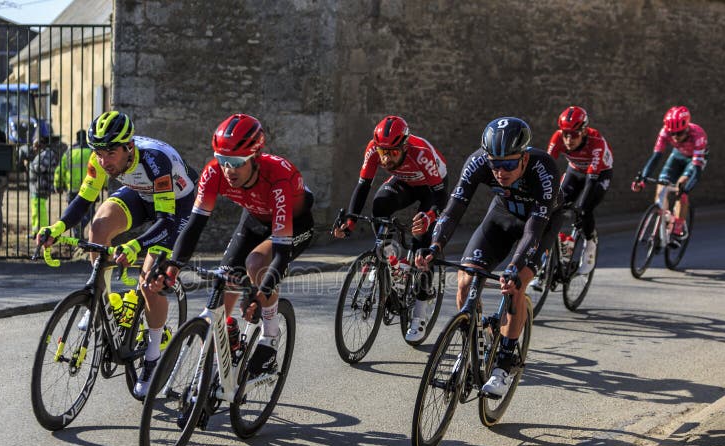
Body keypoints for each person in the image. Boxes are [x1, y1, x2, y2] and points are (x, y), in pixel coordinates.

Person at [35, 110, 198, 398]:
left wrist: (134, 245)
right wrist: (57, 228)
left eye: (110, 152)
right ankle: (103, 304)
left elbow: (166, 221)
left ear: (129, 147)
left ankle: (152, 354)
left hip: (176, 206)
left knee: (149, 280)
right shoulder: (99, 161)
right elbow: (83, 200)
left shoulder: (154, 160)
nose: (103, 160)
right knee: (97, 229)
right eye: (98, 152)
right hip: (140, 194)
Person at [150, 113, 314, 378]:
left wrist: (260, 295)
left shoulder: (278, 177)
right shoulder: (214, 172)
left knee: (256, 264)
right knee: (219, 298)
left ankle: (270, 335)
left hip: (292, 224)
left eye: (237, 162)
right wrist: (173, 267)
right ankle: (212, 379)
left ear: (255, 157)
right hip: (253, 220)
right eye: (223, 160)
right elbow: (193, 227)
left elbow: (281, 254)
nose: (229, 170)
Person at [415, 117, 563, 397]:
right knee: (465, 281)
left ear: (524, 158)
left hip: (539, 222)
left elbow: (532, 232)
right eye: (495, 164)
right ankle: (475, 339)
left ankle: (503, 367)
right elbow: (454, 209)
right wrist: (435, 246)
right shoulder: (478, 162)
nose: (500, 171)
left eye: (508, 164)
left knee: (517, 282)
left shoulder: (544, 169)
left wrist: (514, 268)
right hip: (502, 215)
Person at [332, 115, 448, 342]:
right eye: (382, 152)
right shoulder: (374, 150)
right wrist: (350, 222)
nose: (386, 159)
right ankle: (389, 257)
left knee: (421, 244)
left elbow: (441, 195)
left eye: (393, 153)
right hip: (403, 182)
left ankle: (420, 313)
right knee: (379, 205)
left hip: (431, 189)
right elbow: (363, 186)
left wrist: (430, 215)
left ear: (404, 146)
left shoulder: (420, 153)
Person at [546, 106, 614, 274]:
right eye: (565, 134)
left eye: (574, 134)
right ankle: (561, 247)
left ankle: (590, 243)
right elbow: (546, 166)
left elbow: (591, 180)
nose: (568, 139)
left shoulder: (596, 141)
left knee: (584, 210)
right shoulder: (558, 138)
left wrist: (580, 207)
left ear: (583, 131)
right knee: (554, 205)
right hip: (575, 171)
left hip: (599, 174)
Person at [632, 106, 708, 242]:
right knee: (662, 182)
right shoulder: (665, 132)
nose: (675, 137)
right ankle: (664, 215)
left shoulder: (698, 135)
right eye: (672, 133)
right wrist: (642, 179)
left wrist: (686, 189)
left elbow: (696, 170)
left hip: (694, 160)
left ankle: (678, 226)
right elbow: (655, 158)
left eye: (679, 133)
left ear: (687, 128)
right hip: (677, 156)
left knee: (681, 186)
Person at [54, 129, 94, 238]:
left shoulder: (69, 152)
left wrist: (58, 184)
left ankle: (77, 236)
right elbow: (99, 170)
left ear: (76, 139)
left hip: (72, 187)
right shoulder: (91, 152)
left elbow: (60, 170)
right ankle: (80, 228)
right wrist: (104, 185)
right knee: (90, 211)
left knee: (73, 212)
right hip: (90, 187)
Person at [21, 133, 58, 237]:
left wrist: (28, 165)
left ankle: (43, 233)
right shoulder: (43, 154)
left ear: (39, 145)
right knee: (36, 210)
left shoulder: (46, 154)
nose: (33, 148)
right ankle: (36, 231)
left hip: (40, 186)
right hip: (37, 186)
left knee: (40, 211)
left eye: (34, 145)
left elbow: (40, 168)